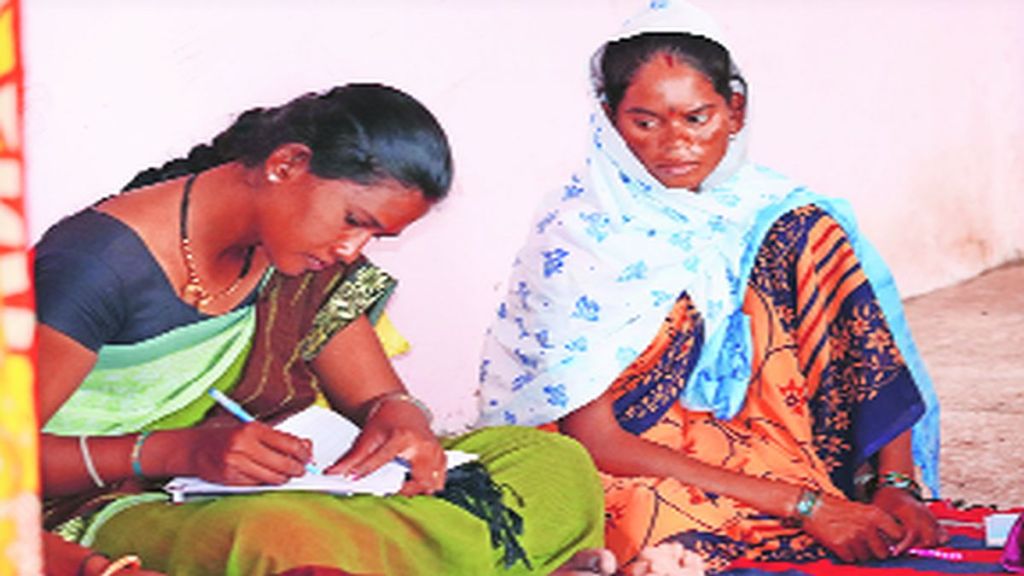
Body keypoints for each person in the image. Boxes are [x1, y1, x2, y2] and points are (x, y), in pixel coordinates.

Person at [36, 83, 604, 575]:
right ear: (286, 164)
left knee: (554, 466)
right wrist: (175, 451)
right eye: (354, 221)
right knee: (282, 542)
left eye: (374, 237)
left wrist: (403, 418)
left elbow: (379, 397)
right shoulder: (94, 265)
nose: (351, 250)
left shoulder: (288, 255)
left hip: (252, 485)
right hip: (105, 500)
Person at [477, 2, 945, 573]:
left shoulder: (772, 212)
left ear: (735, 111)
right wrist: (804, 505)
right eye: (645, 122)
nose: (675, 143)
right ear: (609, 118)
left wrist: (898, 484)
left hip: (771, 451)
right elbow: (594, 439)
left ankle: (849, 494)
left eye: (696, 117)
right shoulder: (579, 236)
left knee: (806, 233)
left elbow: (860, 336)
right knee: (646, 533)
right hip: (631, 465)